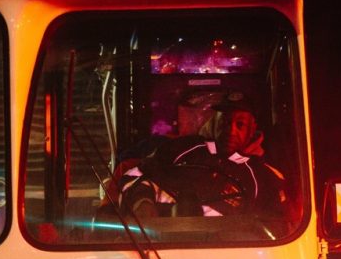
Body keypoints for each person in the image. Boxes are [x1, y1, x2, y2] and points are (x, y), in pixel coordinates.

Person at [119, 91, 290, 217]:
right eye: (225, 122)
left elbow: (277, 224)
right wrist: (143, 203)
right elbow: (136, 175)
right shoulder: (184, 148)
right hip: (158, 241)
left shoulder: (264, 176)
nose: (230, 131)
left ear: (252, 130)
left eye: (240, 125)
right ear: (215, 122)